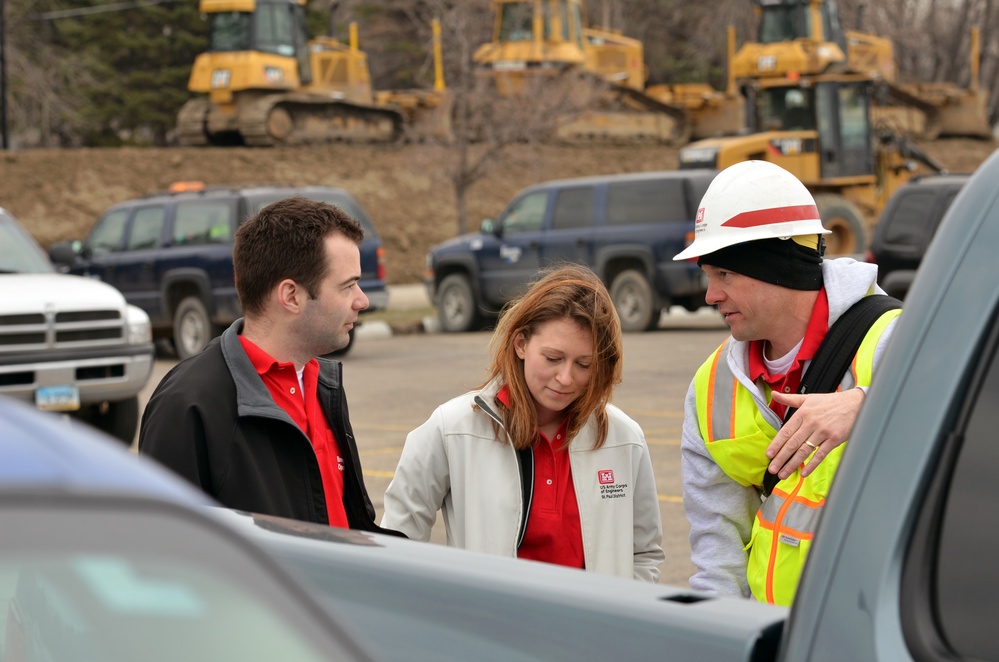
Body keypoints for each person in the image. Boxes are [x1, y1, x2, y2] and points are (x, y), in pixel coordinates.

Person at [673, 160, 901, 605]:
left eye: (724, 275)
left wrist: (867, 406)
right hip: (776, 638)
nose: (710, 296)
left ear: (776, 270)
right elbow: (717, 551)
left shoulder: (893, 340)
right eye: (708, 276)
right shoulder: (711, 388)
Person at [381, 264, 665, 582]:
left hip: (593, 631)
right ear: (520, 344)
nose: (566, 378)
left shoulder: (625, 439)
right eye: (553, 358)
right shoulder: (452, 429)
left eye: (584, 364)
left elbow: (644, 554)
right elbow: (397, 541)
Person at [139, 197, 399, 535]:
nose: (362, 300)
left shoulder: (324, 384)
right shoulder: (188, 404)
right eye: (348, 285)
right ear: (291, 296)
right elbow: (163, 554)